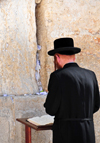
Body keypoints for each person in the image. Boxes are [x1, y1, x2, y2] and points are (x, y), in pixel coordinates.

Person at [44, 38, 100, 143]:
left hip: (66, 134)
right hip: (88, 134)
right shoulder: (90, 75)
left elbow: (51, 109)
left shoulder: (57, 76)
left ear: (57, 57)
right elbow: (96, 105)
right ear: (74, 57)